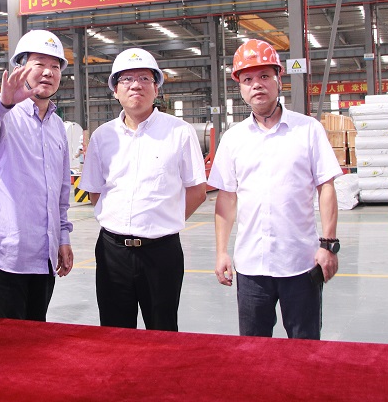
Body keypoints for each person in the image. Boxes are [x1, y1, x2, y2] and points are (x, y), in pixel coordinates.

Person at [209, 39, 341, 339]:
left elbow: (326, 187)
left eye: (264, 76)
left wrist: (329, 244)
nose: (257, 84)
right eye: (248, 79)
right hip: (251, 266)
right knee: (253, 350)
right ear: (240, 87)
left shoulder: (308, 130)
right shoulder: (233, 139)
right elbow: (226, 199)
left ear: (279, 79)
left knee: (305, 347)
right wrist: (221, 252)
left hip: (301, 263)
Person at [79, 48, 207, 331]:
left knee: (162, 333)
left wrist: (162, 221)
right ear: (115, 90)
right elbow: (95, 192)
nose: (135, 85)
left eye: (144, 78)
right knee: (114, 332)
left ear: (156, 88)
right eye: (126, 79)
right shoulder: (103, 136)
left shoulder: (179, 132)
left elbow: (197, 191)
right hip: (112, 253)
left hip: (161, 253)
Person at [0, 29, 74, 321]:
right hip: (6, 253)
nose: (48, 72)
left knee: (37, 336)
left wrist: (63, 237)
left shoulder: (57, 127)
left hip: (44, 254)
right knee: (8, 342)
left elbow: (61, 191)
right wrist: (4, 104)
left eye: (55, 66)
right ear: (20, 68)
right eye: (40, 63)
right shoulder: (3, 113)